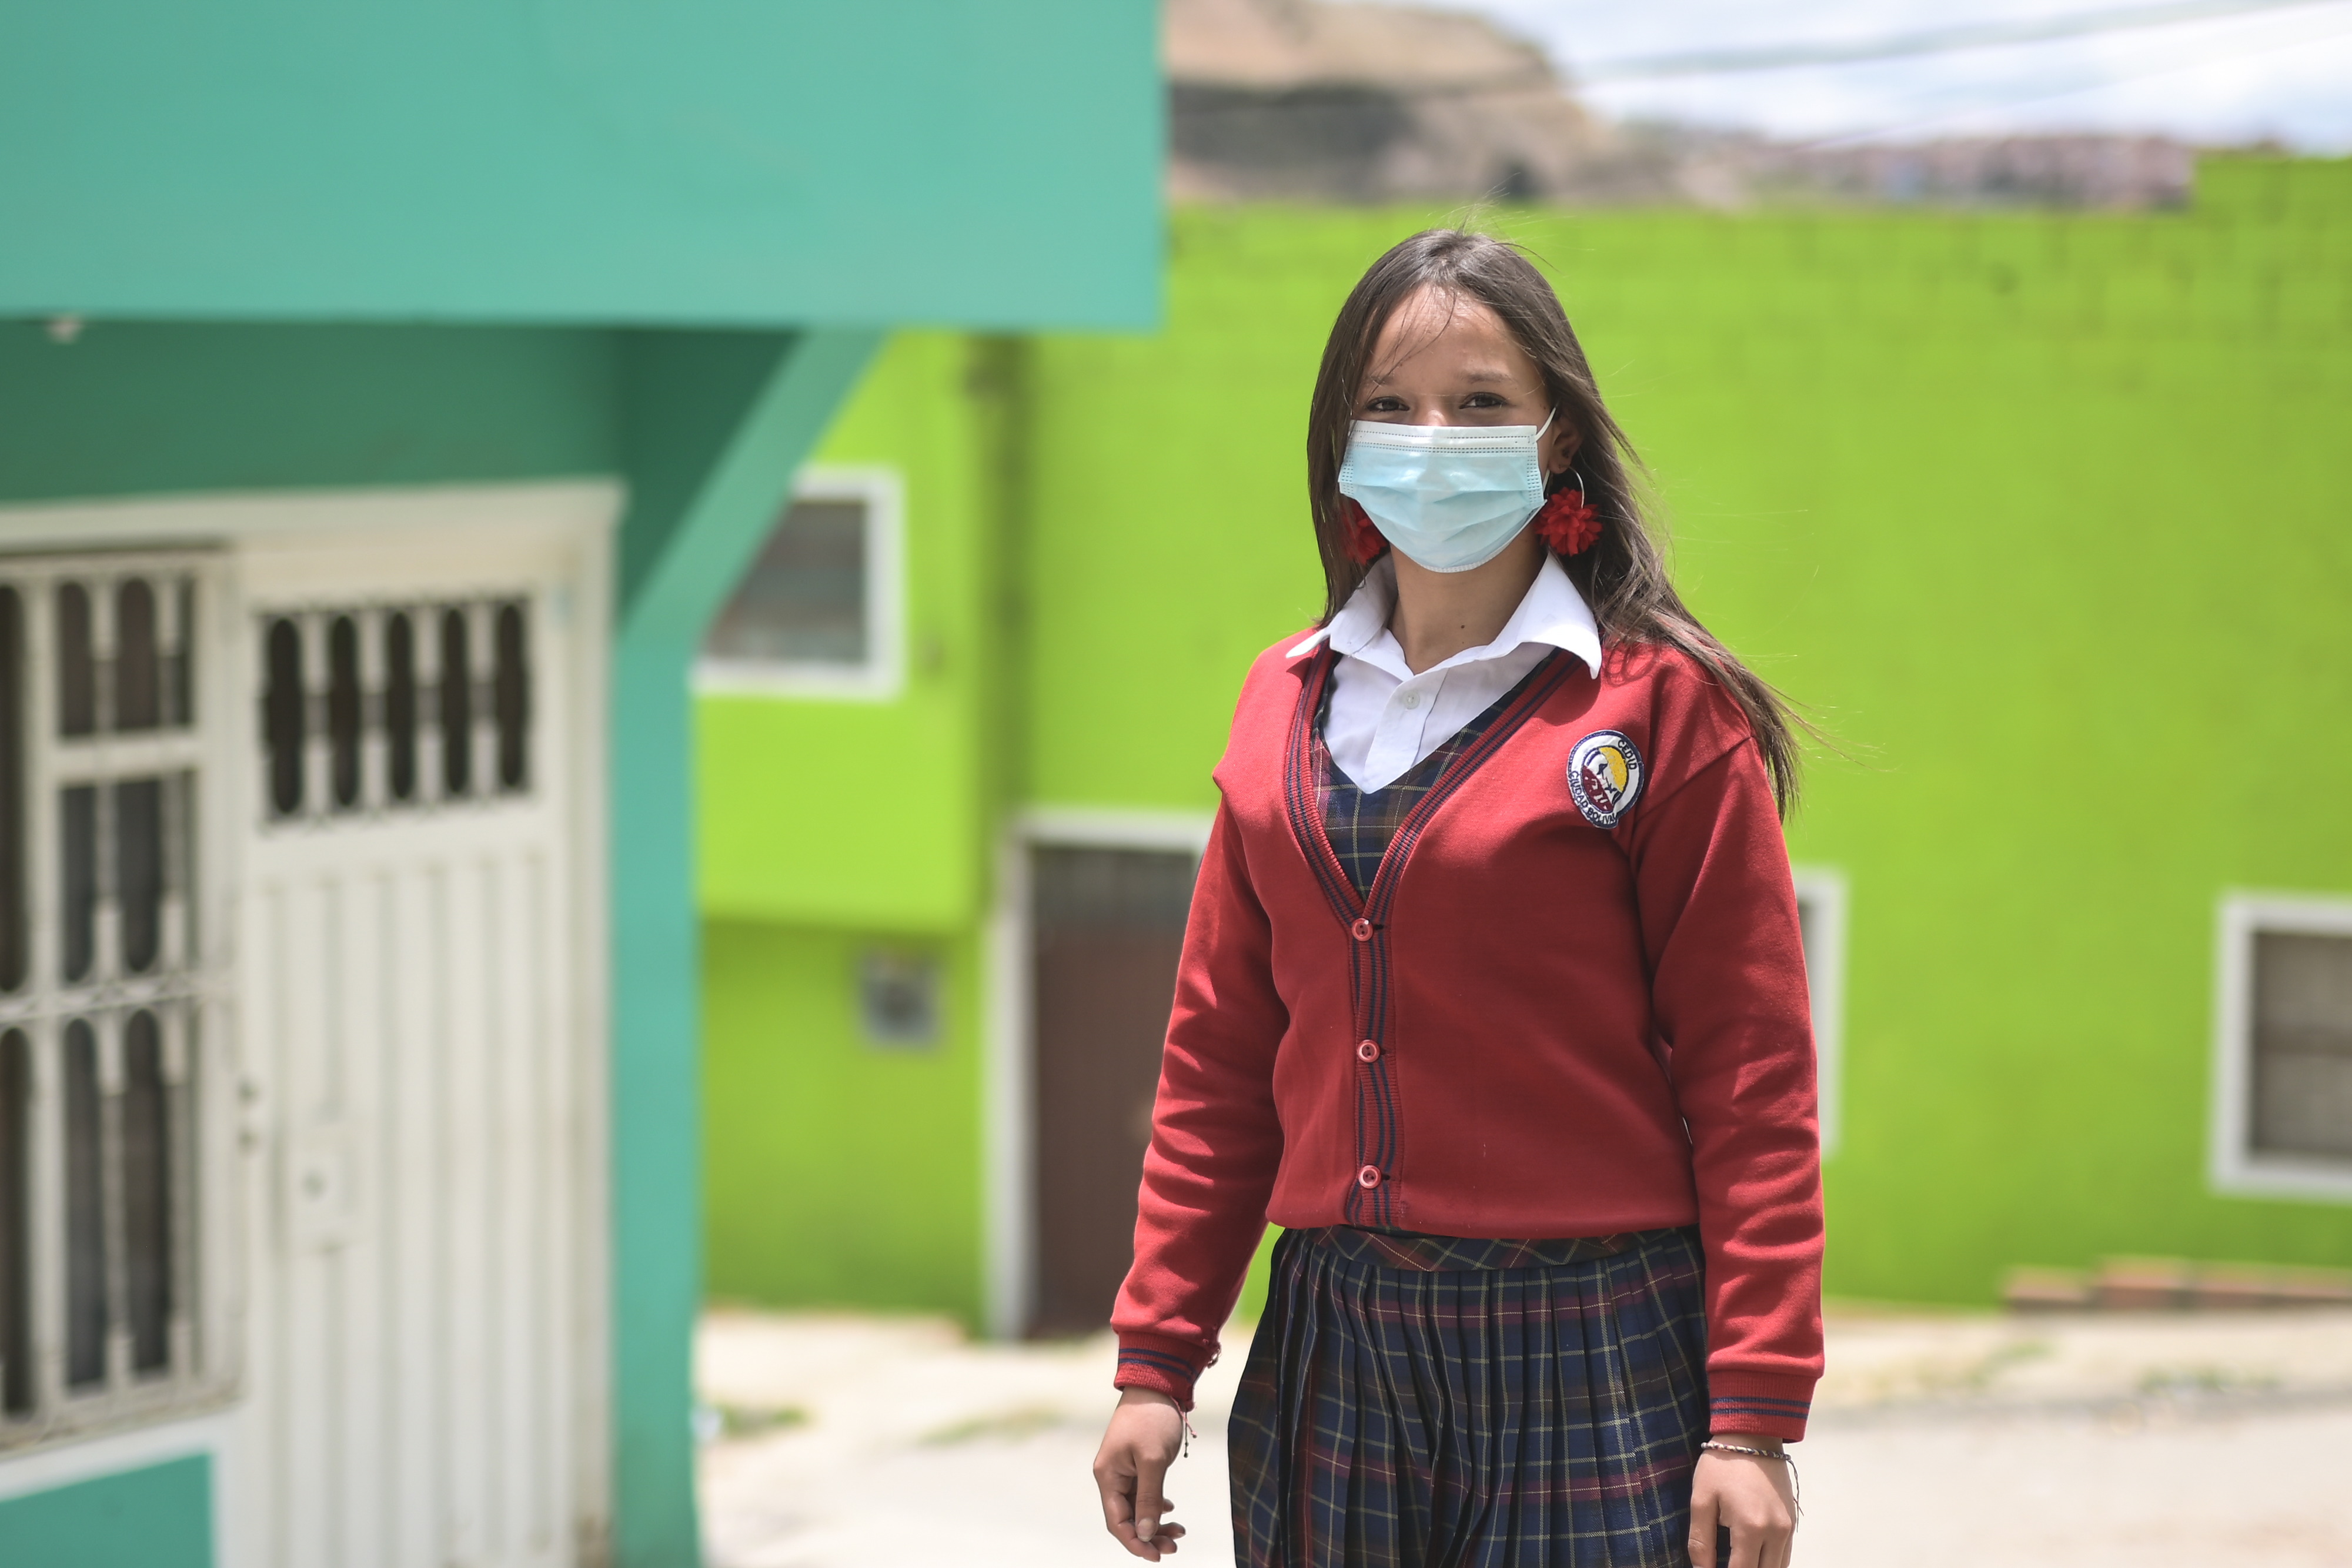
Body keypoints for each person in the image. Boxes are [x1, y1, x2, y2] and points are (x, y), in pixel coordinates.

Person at [1089, 228, 1824, 1568]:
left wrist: (1753, 1414)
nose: (1434, 436)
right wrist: (1155, 1358)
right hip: (1335, 1344)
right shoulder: (1281, 698)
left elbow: (1751, 1076)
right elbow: (1217, 1061)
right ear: (1341, 442)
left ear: (1553, 436)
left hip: (1598, 1343)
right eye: (1392, 404)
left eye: (1480, 403)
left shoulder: (1658, 711)